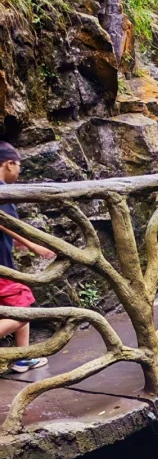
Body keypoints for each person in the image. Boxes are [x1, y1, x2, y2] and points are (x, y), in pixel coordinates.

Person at [0, 142, 57, 373]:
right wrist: (32, 245)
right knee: (25, 308)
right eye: (19, 165)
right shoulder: (3, 191)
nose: (20, 171)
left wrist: (16, 243)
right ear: (9, 164)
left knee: (17, 302)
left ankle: (22, 357)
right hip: (1, 268)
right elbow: (5, 221)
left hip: (4, 263)